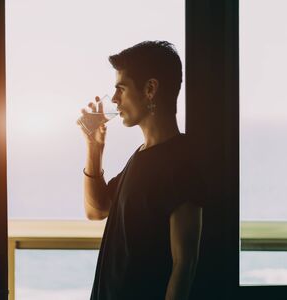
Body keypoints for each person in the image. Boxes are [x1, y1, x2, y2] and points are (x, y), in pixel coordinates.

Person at [77, 41, 207, 299]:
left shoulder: (182, 163)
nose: (114, 99)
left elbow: (184, 265)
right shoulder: (141, 155)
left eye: (121, 89)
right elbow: (97, 209)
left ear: (150, 89)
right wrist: (94, 147)